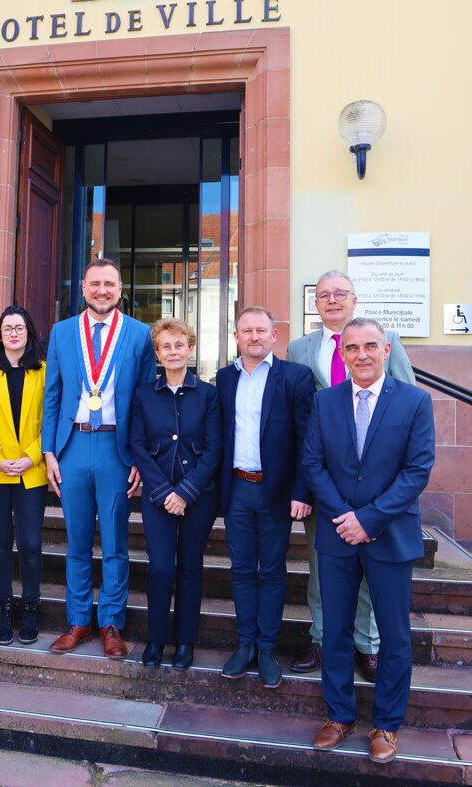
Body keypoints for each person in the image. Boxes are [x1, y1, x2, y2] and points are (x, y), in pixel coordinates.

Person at [303, 318, 434, 763]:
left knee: (394, 636)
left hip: (390, 534)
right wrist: (346, 517)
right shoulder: (324, 402)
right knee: (335, 631)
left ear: (385, 351)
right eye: (353, 347)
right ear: (343, 355)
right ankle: (339, 716)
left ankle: (387, 725)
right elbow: (313, 465)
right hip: (338, 533)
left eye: (370, 346)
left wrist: (370, 519)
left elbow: (417, 470)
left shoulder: (414, 401)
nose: (361, 354)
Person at [286, 269, 416, 681]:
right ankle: (323, 639)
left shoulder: (382, 341)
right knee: (323, 566)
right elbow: (298, 422)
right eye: (324, 295)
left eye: (341, 293)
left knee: (372, 568)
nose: (332, 300)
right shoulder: (300, 348)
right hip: (325, 485)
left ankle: (369, 644)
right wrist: (304, 485)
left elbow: (407, 405)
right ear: (316, 303)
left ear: (354, 299)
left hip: (377, 488)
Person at [42, 258, 156, 659]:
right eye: (95, 283)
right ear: (84, 288)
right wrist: (48, 451)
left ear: (120, 289)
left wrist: (140, 457)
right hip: (73, 445)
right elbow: (52, 394)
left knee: (114, 543)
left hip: (116, 449)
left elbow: (145, 401)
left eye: (110, 283)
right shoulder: (61, 332)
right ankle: (77, 621)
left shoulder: (140, 335)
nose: (102, 290)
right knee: (75, 542)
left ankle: (111, 622)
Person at [216, 307, 316, 688]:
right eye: (246, 331)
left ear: (275, 335)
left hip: (276, 492)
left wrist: (302, 491)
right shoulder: (224, 379)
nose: (254, 337)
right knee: (241, 570)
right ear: (237, 336)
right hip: (237, 489)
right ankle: (245, 645)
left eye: (261, 330)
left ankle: (268, 648)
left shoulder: (295, 377)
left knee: (272, 571)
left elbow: (308, 440)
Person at [130, 319, 221, 670]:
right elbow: (138, 445)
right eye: (165, 346)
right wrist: (165, 491)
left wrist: (185, 491)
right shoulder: (143, 395)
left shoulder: (209, 394)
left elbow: (214, 449)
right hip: (157, 496)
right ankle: (156, 639)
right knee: (161, 568)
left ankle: (185, 643)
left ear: (190, 348)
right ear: (157, 352)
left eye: (179, 345)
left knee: (190, 568)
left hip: (199, 495)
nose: (173, 352)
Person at [0, 306, 47, 646]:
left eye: (20, 327)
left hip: (32, 472)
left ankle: (31, 607)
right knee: (0, 546)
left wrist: (30, 457)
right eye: (7, 328)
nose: (14, 333)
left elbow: (53, 418)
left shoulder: (44, 371)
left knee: (31, 544)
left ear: (29, 332)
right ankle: (3, 609)